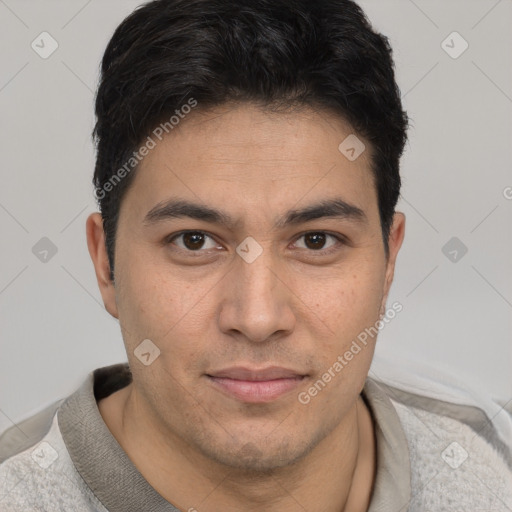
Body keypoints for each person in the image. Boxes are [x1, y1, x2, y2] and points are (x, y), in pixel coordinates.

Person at [1, 0, 511, 510]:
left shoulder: (494, 471)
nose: (258, 317)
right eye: (194, 241)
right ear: (106, 264)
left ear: (388, 262)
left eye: (316, 240)